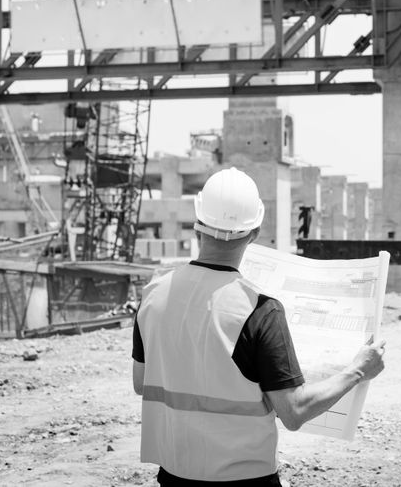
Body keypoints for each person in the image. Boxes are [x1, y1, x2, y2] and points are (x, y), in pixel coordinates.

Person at [132, 167, 386, 486]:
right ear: (254, 232)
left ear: (197, 226)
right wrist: (358, 370)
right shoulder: (259, 310)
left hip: (174, 474)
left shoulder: (153, 295)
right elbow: (293, 412)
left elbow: (142, 382)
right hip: (244, 478)